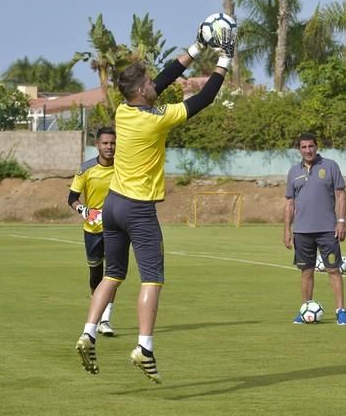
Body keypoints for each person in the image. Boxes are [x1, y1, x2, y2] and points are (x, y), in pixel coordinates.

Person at [74, 23, 236, 384]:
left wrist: (195, 48)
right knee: (153, 279)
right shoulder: (157, 120)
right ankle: (144, 347)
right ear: (141, 91)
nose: (154, 84)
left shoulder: (123, 112)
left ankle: (88, 331)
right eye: (148, 83)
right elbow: (204, 98)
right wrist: (224, 58)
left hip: (113, 205)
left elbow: (163, 79)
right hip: (138, 209)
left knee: (113, 274)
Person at [283, 132, 346, 326]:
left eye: (311, 146)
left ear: (316, 147)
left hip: (327, 230)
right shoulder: (293, 171)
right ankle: (305, 310)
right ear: (299, 149)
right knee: (306, 272)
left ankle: (341, 311)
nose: (307, 150)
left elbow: (341, 195)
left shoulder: (330, 166)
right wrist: (287, 230)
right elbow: (289, 203)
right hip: (302, 231)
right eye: (303, 147)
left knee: (333, 270)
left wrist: (341, 221)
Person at [68, 127, 118, 336]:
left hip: (116, 229)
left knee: (113, 274)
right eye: (105, 143)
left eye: (112, 143)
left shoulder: (124, 168)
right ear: (97, 145)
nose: (109, 147)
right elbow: (72, 198)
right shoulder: (86, 169)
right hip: (92, 230)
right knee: (95, 275)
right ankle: (97, 316)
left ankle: (105, 320)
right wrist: (84, 210)